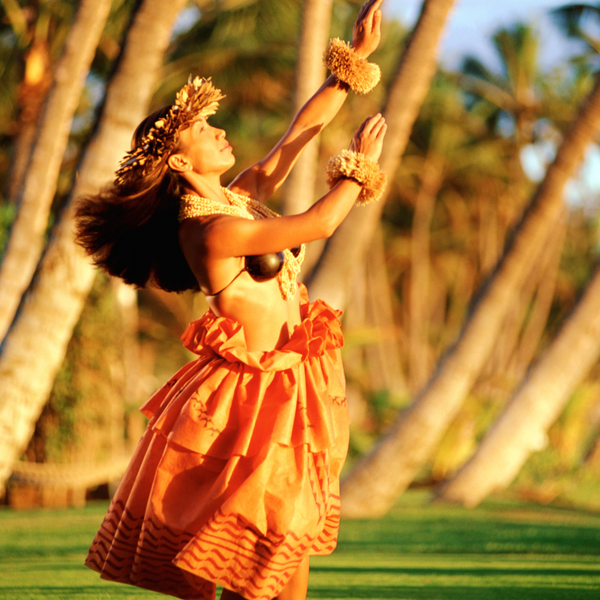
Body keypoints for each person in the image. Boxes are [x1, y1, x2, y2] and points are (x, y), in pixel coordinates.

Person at [76, 1, 386, 599]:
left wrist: (354, 64)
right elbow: (319, 224)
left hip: (293, 384)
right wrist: (358, 170)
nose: (220, 132)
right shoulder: (211, 232)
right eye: (203, 132)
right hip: (250, 401)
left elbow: (296, 136)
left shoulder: (236, 200)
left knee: (289, 539)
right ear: (179, 162)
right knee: (253, 543)